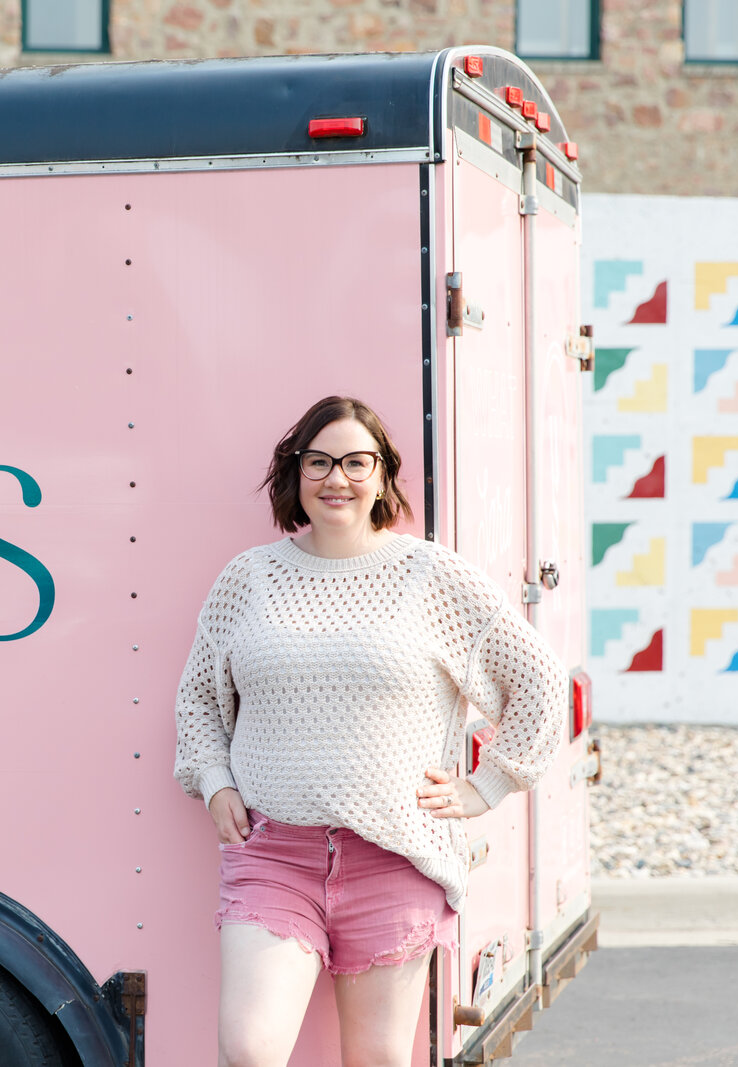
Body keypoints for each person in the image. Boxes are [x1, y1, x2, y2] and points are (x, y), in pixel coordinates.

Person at [173, 395, 568, 1067]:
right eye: (319, 461)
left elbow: (540, 679)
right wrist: (213, 782)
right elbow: (199, 701)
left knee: (378, 1060)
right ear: (294, 474)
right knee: (248, 1050)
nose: (337, 478)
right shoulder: (250, 578)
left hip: (395, 856)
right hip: (276, 856)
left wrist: (487, 785)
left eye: (357, 461)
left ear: (383, 475)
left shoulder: (431, 576)